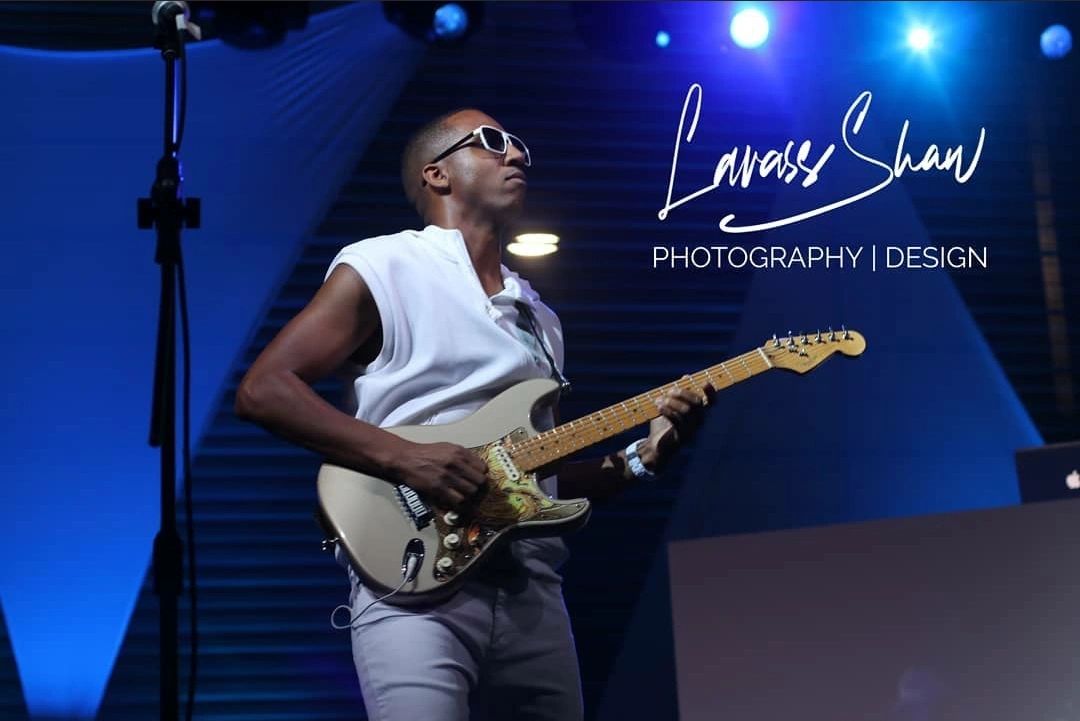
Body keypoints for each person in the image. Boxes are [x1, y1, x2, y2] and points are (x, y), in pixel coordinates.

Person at [234, 108, 713, 721]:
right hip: (411, 584)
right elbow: (265, 389)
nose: (516, 155)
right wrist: (406, 458)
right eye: (493, 142)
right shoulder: (385, 264)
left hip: (531, 589)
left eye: (520, 146)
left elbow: (541, 481)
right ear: (437, 174)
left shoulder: (539, 318)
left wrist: (643, 460)